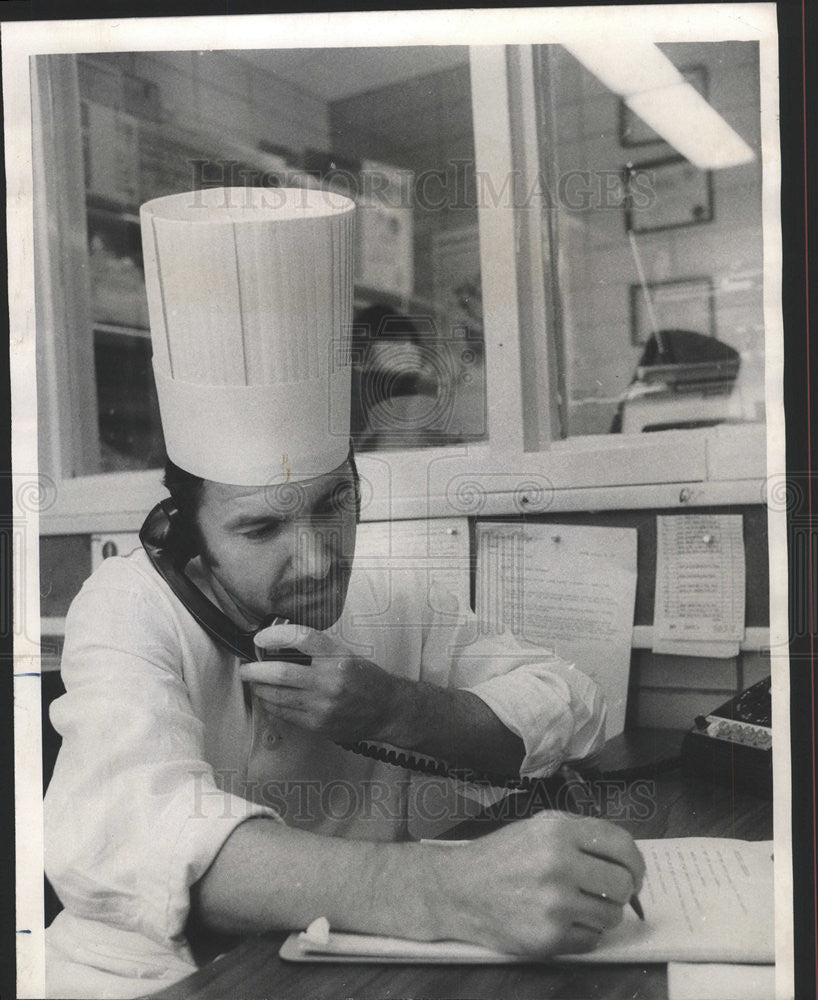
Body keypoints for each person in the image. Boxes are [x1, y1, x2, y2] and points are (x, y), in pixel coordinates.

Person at [43, 186, 645, 998]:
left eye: (336, 504)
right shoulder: (125, 607)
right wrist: (445, 890)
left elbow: (572, 699)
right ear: (186, 534)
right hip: (147, 978)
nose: (321, 559)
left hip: (339, 965)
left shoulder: (395, 599)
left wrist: (399, 709)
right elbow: (135, 827)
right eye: (260, 531)